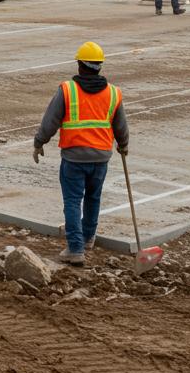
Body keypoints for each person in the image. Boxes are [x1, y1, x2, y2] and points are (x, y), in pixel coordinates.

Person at [32, 41, 129, 267]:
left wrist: (39, 142)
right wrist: (123, 145)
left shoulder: (68, 90)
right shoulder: (113, 93)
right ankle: (87, 238)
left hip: (74, 158)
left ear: (80, 66)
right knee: (93, 198)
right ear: (99, 67)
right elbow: (121, 125)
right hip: (101, 157)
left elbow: (50, 120)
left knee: (73, 201)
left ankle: (75, 248)